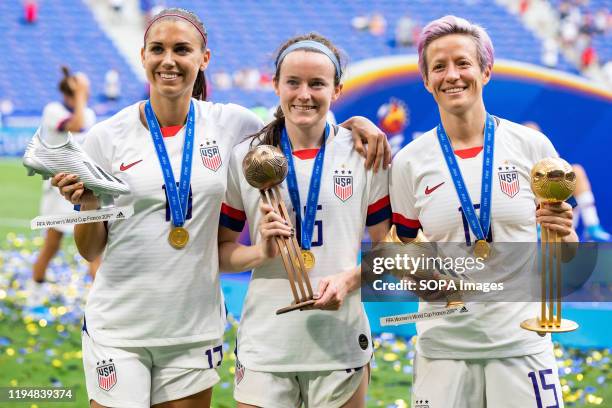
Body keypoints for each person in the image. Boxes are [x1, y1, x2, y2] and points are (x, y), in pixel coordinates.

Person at [52, 9, 391, 408]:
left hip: (196, 329)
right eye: (158, 49)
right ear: (143, 55)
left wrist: (357, 125)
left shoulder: (234, 126)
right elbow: (90, 249)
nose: (169, 60)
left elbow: (303, 122)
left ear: (203, 58)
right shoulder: (105, 138)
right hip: (121, 324)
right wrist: (89, 204)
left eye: (182, 49)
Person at [390, 16, 578, 407]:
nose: (452, 75)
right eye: (438, 67)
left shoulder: (531, 146)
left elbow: (566, 253)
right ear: (426, 80)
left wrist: (564, 236)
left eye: (463, 63)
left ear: (486, 71)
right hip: (444, 348)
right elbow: (404, 251)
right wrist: (421, 276)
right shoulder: (409, 162)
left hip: (523, 342)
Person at [218, 33, 391, 408]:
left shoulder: (363, 153)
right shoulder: (245, 158)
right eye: (293, 82)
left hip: (340, 343)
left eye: (317, 83)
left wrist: (351, 278)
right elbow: (220, 253)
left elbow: (390, 249)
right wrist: (259, 252)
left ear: (337, 89)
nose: (304, 94)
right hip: (267, 342)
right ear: (275, 85)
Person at [28, 67, 99, 307]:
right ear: (74, 92)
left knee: (95, 245)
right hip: (58, 188)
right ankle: (35, 290)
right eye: (83, 90)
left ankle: (99, 301)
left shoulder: (88, 113)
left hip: (83, 186)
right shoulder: (53, 111)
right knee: (52, 243)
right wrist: (80, 93)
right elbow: (76, 125)